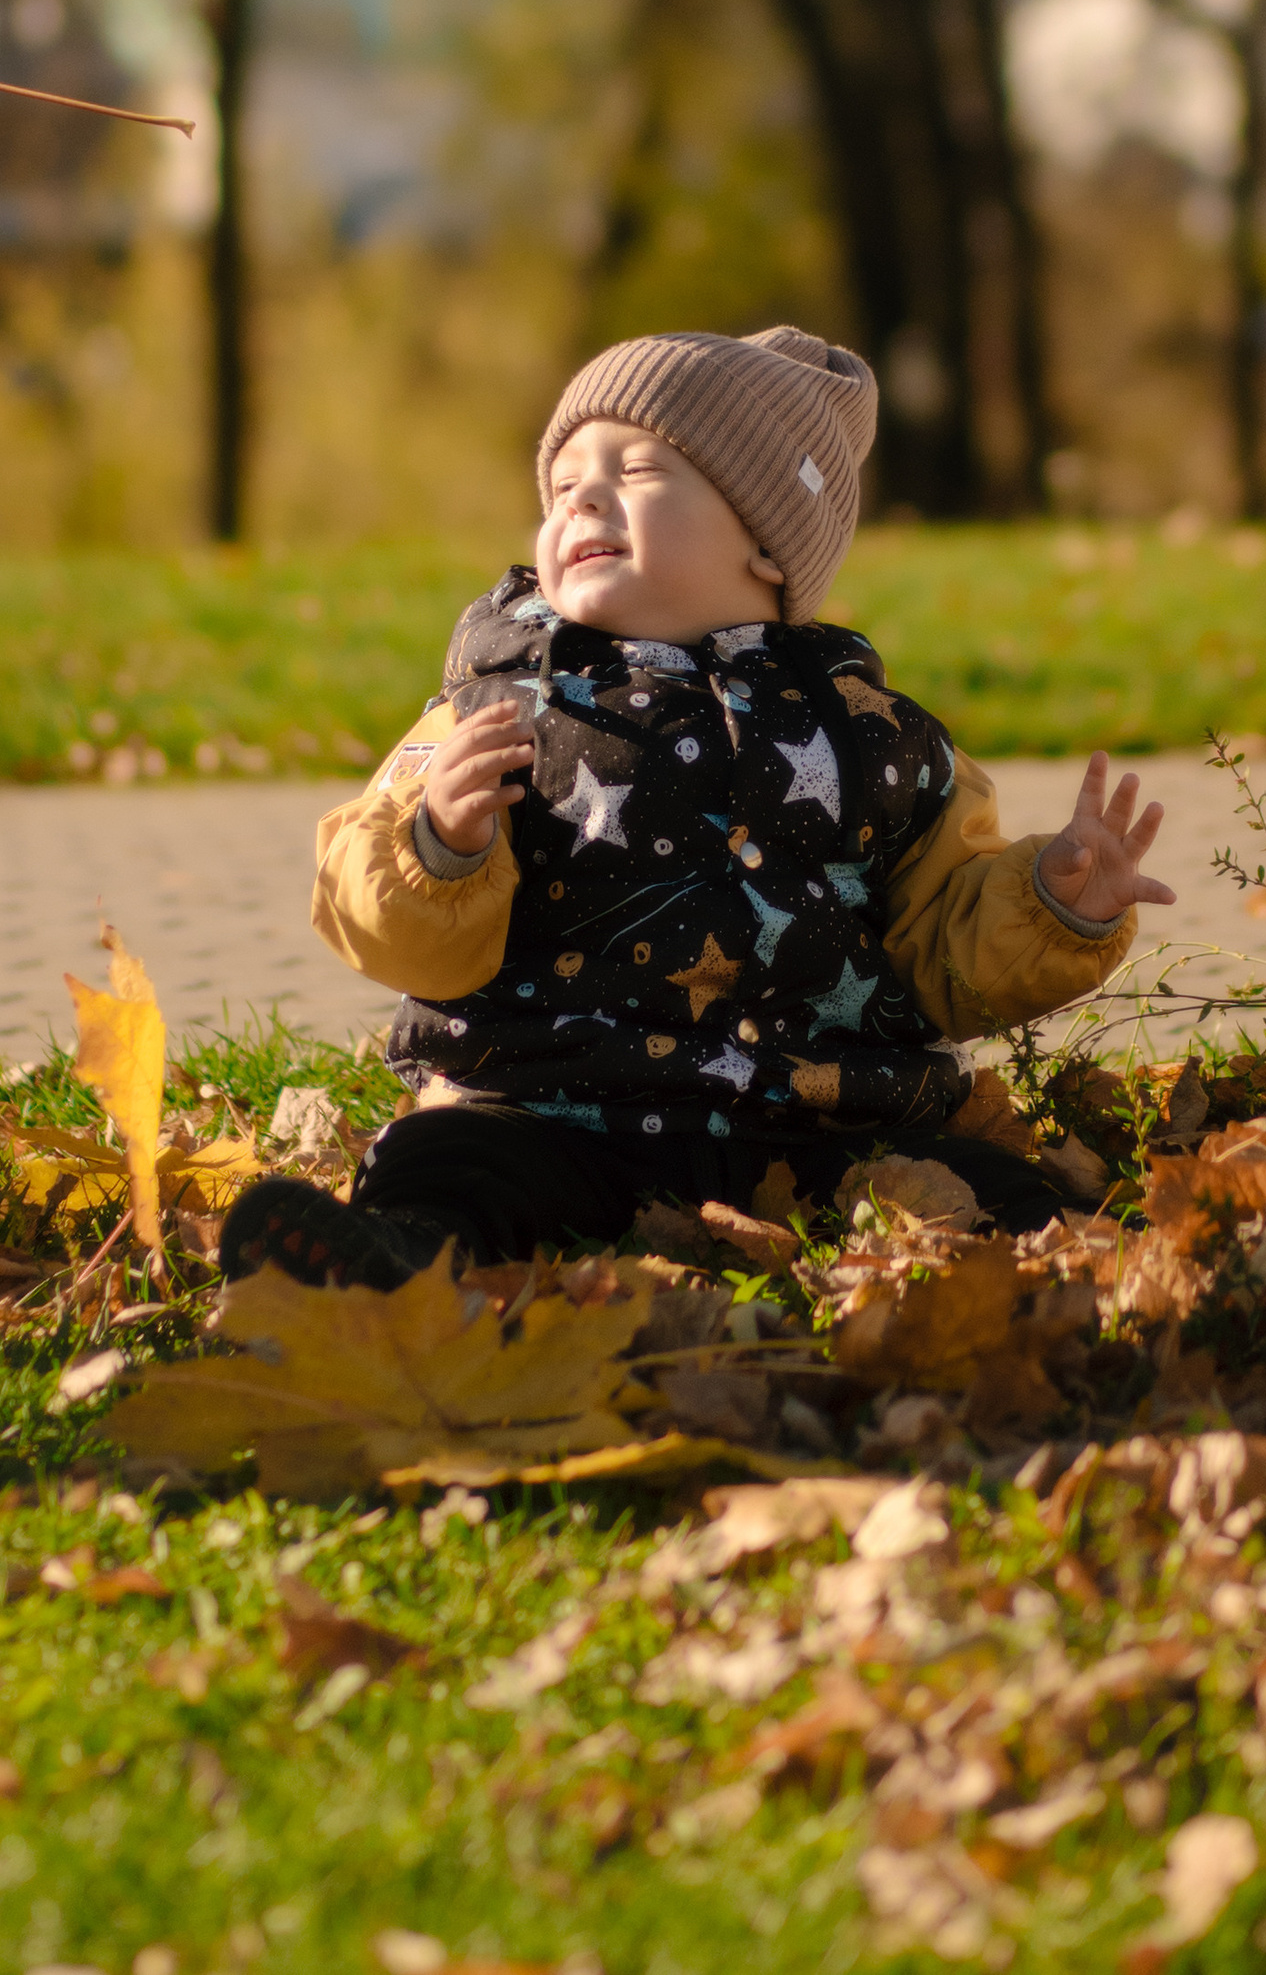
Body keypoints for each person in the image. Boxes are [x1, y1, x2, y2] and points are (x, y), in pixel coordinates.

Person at [218, 325, 1174, 1287]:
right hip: (546, 1108)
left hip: (806, 1120)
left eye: (637, 471)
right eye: (562, 487)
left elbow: (940, 951)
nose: (584, 496)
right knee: (444, 1169)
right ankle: (389, 1263)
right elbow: (373, 908)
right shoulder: (493, 708)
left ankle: (1100, 1264)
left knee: (980, 1187)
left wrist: (1053, 903)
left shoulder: (873, 737)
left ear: (767, 540)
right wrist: (438, 843)